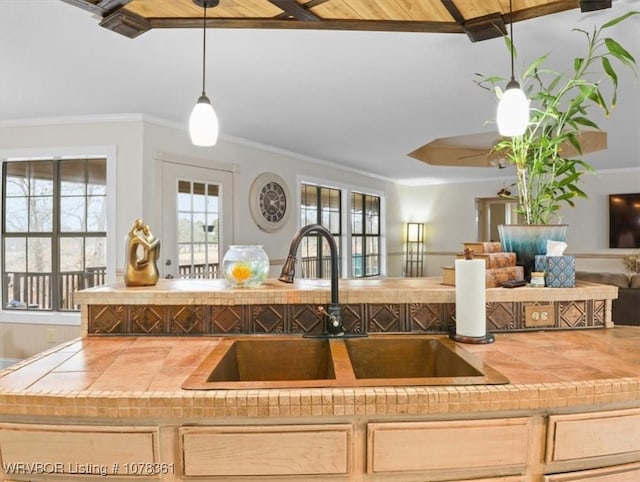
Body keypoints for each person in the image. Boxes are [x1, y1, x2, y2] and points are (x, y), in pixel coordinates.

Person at [124, 219, 161, 286]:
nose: (142, 227)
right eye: (142, 225)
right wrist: (157, 241)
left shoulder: (127, 236)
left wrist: (138, 259)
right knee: (152, 276)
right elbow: (149, 247)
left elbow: (130, 253)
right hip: (132, 272)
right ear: (139, 225)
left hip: (126, 273)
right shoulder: (137, 238)